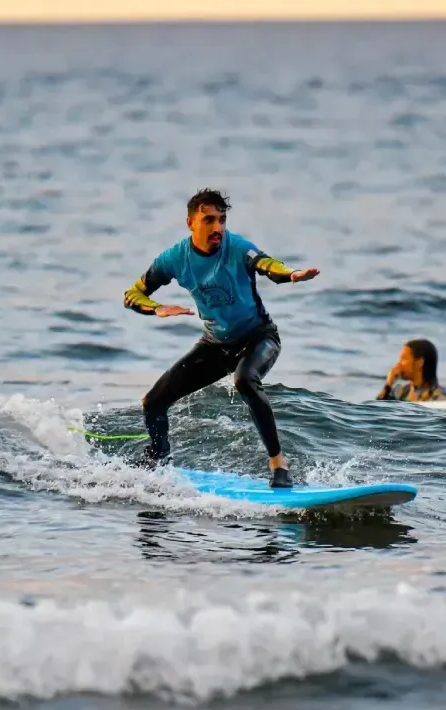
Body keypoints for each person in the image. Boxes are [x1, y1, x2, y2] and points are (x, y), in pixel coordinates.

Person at [122, 189, 320, 488]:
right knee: (153, 402)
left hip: (259, 338)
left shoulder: (237, 247)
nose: (218, 228)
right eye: (209, 220)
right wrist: (156, 308)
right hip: (215, 345)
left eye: (222, 220)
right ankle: (158, 459)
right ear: (191, 223)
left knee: (245, 380)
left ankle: (279, 465)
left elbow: (266, 264)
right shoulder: (174, 258)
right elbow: (133, 294)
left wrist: (291, 274)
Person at [376, 339, 446, 401]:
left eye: (404, 359)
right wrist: (388, 385)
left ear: (419, 362)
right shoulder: (401, 391)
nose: (398, 364)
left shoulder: (439, 398)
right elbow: (379, 409)